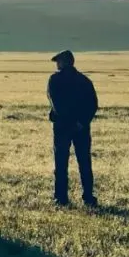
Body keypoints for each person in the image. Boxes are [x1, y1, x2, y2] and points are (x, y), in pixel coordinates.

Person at [46, 50, 99, 207]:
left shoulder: (54, 80)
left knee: (61, 163)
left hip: (62, 127)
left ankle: (61, 198)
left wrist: (68, 121)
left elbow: (56, 104)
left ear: (62, 63)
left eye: (58, 62)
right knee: (84, 162)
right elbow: (93, 104)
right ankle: (88, 196)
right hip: (81, 128)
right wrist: (81, 121)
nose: (57, 64)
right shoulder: (84, 81)